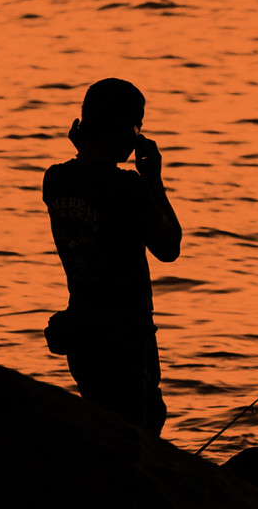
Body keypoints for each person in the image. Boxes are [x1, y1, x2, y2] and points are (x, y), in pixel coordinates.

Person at [43, 78, 182, 435]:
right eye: (138, 126)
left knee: (100, 429)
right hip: (126, 336)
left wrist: (87, 147)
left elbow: (86, 175)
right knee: (140, 430)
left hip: (83, 334)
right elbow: (169, 247)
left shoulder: (55, 180)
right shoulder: (127, 187)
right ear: (127, 128)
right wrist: (153, 179)